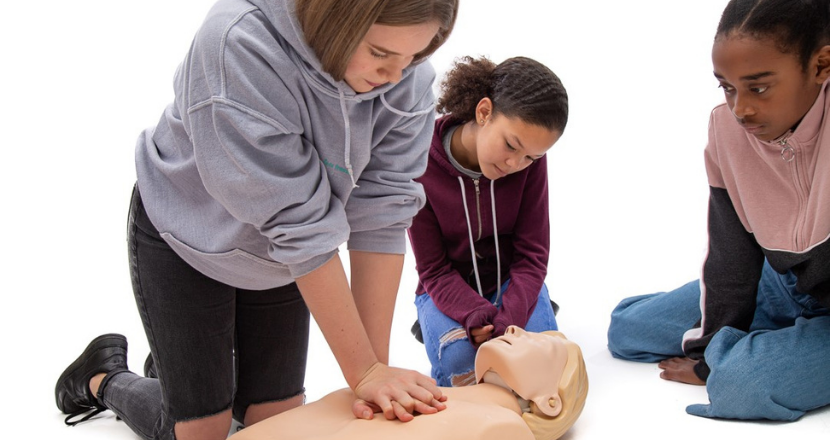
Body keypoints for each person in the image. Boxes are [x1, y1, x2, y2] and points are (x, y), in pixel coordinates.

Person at [54, 0, 459, 439]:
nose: (395, 77)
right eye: (380, 54)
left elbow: (380, 214)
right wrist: (362, 370)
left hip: (277, 255)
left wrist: (373, 372)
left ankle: (184, 371)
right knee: (203, 431)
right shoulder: (238, 44)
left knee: (277, 423)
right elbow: (300, 225)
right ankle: (103, 376)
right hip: (188, 236)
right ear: (334, 17)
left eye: (414, 56)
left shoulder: (406, 75)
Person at [607, 0, 830, 421]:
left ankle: (772, 350)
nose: (740, 108)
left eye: (758, 87)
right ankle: (769, 341)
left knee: (741, 384)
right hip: (786, 282)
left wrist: (722, 367)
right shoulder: (728, 131)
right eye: (727, 87)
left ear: (821, 65)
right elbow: (732, 256)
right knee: (627, 330)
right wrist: (709, 350)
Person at [407, 56, 568, 387]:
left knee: (538, 365)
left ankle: (528, 305)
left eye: (530, 157)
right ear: (483, 113)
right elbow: (433, 270)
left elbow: (533, 255)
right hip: (446, 289)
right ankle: (435, 323)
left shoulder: (530, 162)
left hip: (511, 281)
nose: (515, 163)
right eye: (511, 145)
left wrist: (510, 314)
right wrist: (472, 313)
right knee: (462, 367)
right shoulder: (417, 160)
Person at [227, 326, 588, 440]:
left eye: (541, 342)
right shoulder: (406, 384)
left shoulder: (503, 430)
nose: (514, 328)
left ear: (549, 401)